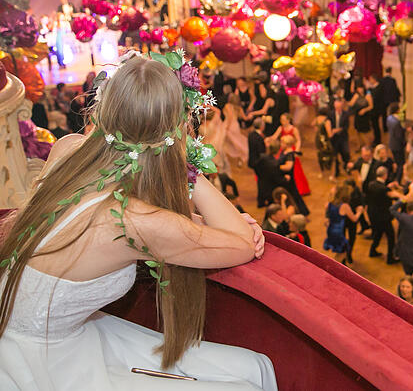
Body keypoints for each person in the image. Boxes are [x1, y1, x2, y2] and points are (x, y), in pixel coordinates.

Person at [0, 56, 277, 389]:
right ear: (178, 127)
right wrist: (188, 165)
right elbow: (244, 243)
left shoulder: (68, 149)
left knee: (250, 369)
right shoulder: (133, 222)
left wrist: (199, 218)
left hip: (31, 331)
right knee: (245, 380)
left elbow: (127, 213)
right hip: (41, 361)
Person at [366, 166, 402, 262]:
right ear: (385, 175)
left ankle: (372, 251)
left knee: (378, 233)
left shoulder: (371, 184)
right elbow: (394, 196)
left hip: (373, 215)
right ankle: (390, 258)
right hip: (383, 217)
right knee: (391, 236)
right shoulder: (384, 190)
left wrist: (388, 187)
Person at [324, 184, 362, 263]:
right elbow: (354, 219)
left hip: (332, 230)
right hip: (339, 232)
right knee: (341, 254)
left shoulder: (329, 203)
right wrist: (359, 212)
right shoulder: (344, 206)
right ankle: (334, 270)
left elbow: (328, 217)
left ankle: (338, 267)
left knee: (340, 252)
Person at [254, 140, 287, 208]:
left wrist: (259, 175)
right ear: (278, 150)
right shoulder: (275, 163)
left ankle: (260, 203)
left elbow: (256, 167)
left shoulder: (262, 157)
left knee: (261, 193)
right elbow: (277, 177)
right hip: (271, 185)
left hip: (261, 180)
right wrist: (285, 178)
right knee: (271, 201)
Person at [326, 98, 350, 178]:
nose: (338, 109)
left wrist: (338, 130)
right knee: (334, 155)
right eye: (336, 107)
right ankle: (336, 171)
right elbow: (327, 123)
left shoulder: (346, 114)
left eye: (339, 107)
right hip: (334, 139)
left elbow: (346, 126)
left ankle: (347, 168)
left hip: (343, 137)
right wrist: (331, 132)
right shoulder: (331, 114)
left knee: (345, 153)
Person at [348, 82, 373, 148]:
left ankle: (368, 145)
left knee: (364, 132)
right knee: (357, 131)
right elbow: (350, 104)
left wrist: (364, 110)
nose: (360, 90)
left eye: (361, 88)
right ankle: (359, 145)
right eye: (358, 88)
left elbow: (371, 106)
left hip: (364, 116)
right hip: (357, 115)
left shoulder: (368, 96)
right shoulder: (356, 96)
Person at [386, 102, 405, 181]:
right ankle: (398, 180)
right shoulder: (397, 122)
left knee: (396, 161)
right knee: (400, 163)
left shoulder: (389, 118)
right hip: (398, 145)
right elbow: (399, 136)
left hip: (391, 143)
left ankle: (394, 178)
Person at [365, 75, 384, 145]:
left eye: (370, 79)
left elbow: (373, 98)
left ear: (374, 79)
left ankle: (377, 140)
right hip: (375, 110)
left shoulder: (378, 89)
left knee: (376, 126)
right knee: (375, 126)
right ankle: (376, 139)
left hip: (376, 111)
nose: (370, 81)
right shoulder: (374, 88)